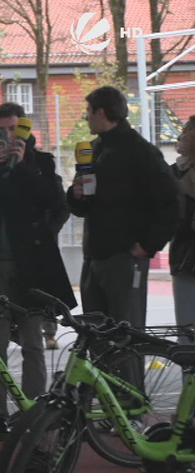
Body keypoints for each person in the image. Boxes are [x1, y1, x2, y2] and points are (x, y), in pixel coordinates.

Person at [0, 102, 76, 440]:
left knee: (32, 343)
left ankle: (33, 411)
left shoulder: (41, 161)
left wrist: (23, 167)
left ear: (24, 127)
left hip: (31, 268)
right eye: (0, 130)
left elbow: (53, 200)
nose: (7, 136)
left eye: (13, 128)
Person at [67, 86, 179, 328]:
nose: (86, 117)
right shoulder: (94, 149)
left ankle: (127, 368)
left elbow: (172, 201)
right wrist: (76, 194)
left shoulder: (139, 152)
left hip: (124, 258)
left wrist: (149, 245)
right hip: (94, 256)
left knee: (125, 337)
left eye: (88, 111)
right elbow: (84, 206)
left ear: (101, 112)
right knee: (95, 337)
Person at [171, 116, 195, 336]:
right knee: (187, 330)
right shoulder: (174, 173)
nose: (180, 137)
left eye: (186, 131)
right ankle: (189, 371)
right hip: (185, 258)